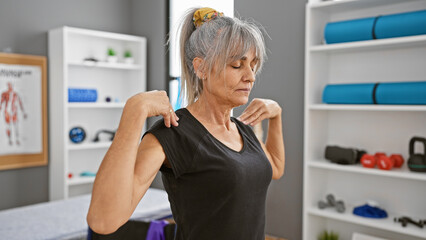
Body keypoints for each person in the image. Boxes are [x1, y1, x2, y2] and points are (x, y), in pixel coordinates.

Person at [87, 7, 285, 240]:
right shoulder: (174, 134)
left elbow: (275, 168)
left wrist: (277, 116)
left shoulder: (241, 128)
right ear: (201, 68)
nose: (251, 76)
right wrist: (134, 112)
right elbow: (103, 220)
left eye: (253, 64)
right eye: (237, 65)